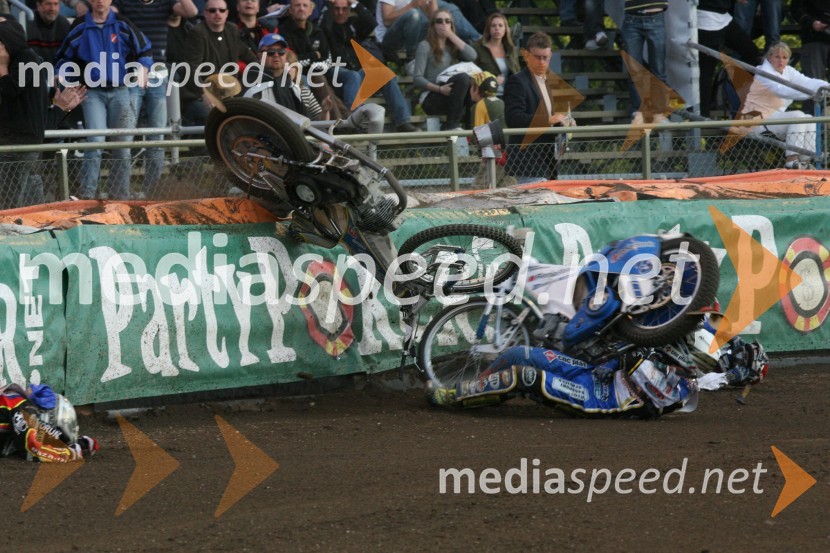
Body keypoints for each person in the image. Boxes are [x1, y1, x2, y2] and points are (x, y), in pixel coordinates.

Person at [55, 0, 154, 200]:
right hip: (92, 92)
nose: (100, 1)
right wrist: (60, 77)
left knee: (123, 144)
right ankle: (88, 195)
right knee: (95, 142)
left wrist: (144, 68)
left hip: (121, 90)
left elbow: (145, 50)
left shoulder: (122, 23)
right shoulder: (80, 25)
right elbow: (64, 58)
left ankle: (120, 195)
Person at [114, 0, 198, 200]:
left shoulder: (164, 4)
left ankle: (153, 193)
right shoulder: (125, 4)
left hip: (159, 73)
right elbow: (108, 13)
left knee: (157, 136)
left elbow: (191, 11)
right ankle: (121, 193)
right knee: (125, 134)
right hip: (131, 71)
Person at [320, 0, 419, 132]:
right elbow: (325, 24)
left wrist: (355, 3)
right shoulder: (327, 25)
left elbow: (372, 24)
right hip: (334, 71)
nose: (340, 12)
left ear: (349, 10)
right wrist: (329, 4)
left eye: (344, 9)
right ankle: (355, 121)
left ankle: (402, 121)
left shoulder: (353, 24)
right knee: (353, 75)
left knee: (385, 74)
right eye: (337, 9)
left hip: (356, 72)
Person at [738, 42, 830, 169]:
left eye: (785, 58)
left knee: (808, 117)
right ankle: (791, 160)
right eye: (777, 57)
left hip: (774, 120)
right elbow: (782, 91)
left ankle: (806, 160)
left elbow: (808, 82)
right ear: (769, 57)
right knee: (797, 115)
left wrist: (827, 87)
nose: (781, 61)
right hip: (755, 121)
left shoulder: (788, 71)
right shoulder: (763, 72)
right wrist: (814, 93)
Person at [503, 32, 579, 182]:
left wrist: (567, 121)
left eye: (545, 58)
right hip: (527, 160)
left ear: (550, 55)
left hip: (548, 159)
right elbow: (513, 119)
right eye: (537, 57)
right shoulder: (516, 81)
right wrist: (550, 119)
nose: (542, 62)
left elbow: (554, 116)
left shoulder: (551, 82)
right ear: (527, 56)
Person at [0, 17, 50, 209]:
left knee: (12, 194)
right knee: (23, 185)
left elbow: (11, 89)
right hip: (10, 135)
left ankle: (12, 227)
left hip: (23, 138)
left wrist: (2, 66)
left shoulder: (26, 58)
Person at [181, 0, 258, 125]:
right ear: (205, 13)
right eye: (212, 10)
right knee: (215, 118)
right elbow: (192, 68)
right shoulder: (197, 33)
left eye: (221, 10)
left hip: (229, 93)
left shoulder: (232, 30)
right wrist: (203, 93)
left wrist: (262, 73)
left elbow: (249, 57)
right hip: (199, 95)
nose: (218, 13)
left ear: (227, 13)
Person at [375, 0, 481, 74]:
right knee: (413, 14)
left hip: (412, 36)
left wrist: (431, 3)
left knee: (444, 15)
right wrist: (412, 5)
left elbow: (433, 19)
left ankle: (457, 50)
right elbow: (387, 21)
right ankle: (411, 60)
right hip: (389, 39)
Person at [0, 383, 99, 462]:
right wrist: (70, 453)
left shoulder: (14, 403)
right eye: (58, 433)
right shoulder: (21, 405)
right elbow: (32, 448)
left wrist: (76, 442)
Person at [413, 9, 477, 131]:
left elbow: (472, 55)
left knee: (471, 83)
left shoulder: (452, 47)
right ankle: (451, 125)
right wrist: (440, 89)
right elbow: (417, 78)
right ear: (433, 25)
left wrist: (451, 35)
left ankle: (470, 131)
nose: (444, 24)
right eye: (439, 21)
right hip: (431, 97)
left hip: (453, 96)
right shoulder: (425, 46)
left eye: (448, 21)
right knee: (463, 77)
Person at [696, 0, 759, 117]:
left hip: (724, 17)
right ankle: (702, 116)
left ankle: (742, 98)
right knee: (706, 73)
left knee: (752, 53)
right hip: (706, 18)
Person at [620, 0, 668, 116]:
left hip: (655, 16)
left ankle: (659, 110)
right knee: (635, 70)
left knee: (658, 69)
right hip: (632, 17)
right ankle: (638, 109)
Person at [791, 0, 830, 114]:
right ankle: (811, 128)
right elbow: (796, 9)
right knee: (812, 86)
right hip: (814, 39)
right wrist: (812, 23)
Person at [471, 12, 520, 96]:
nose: (497, 28)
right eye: (493, 26)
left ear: (505, 29)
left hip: (509, 95)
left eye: (500, 25)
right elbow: (472, 75)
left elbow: (517, 72)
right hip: (486, 95)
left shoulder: (510, 49)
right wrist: (491, 81)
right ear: (488, 29)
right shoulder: (478, 47)